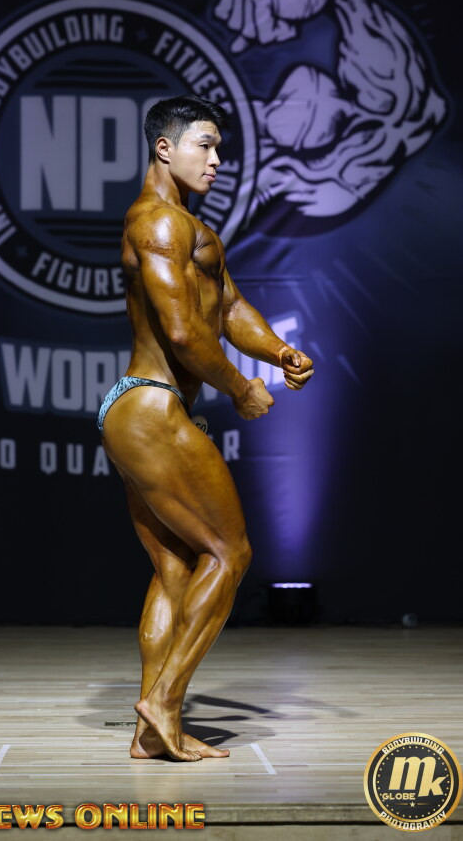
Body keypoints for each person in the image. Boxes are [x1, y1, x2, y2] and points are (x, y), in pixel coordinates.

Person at [98, 95, 314, 762]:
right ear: (164, 148)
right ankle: (164, 700)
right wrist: (243, 388)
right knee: (230, 554)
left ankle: (149, 732)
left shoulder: (187, 226)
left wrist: (277, 350)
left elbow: (229, 306)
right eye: (205, 144)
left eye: (219, 148)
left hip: (137, 408)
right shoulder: (157, 222)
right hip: (153, 405)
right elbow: (185, 332)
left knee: (176, 568)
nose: (217, 159)